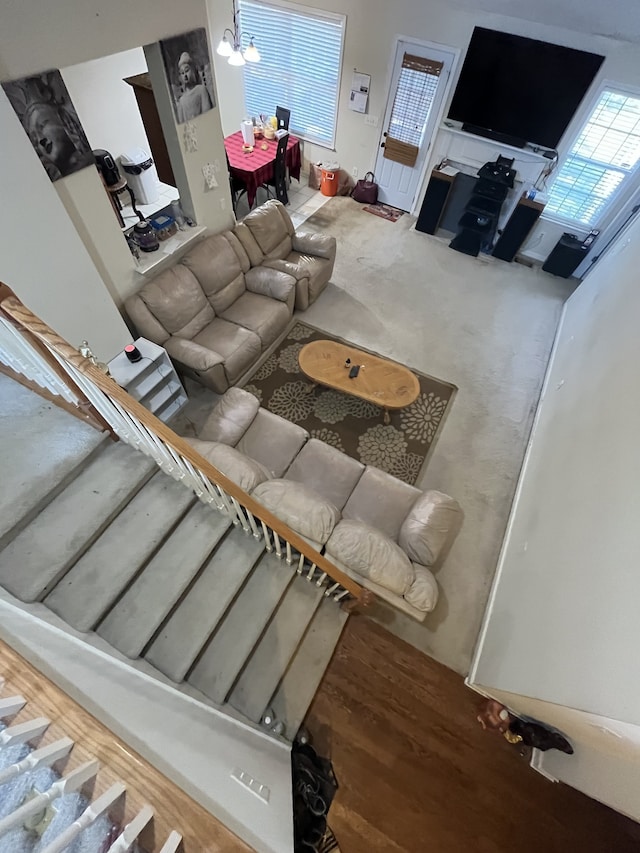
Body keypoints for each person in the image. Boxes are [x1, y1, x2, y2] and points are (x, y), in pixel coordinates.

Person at [176, 51, 212, 123]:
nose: (185, 75)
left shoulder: (201, 90)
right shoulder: (182, 100)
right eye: (182, 73)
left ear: (192, 70)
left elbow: (208, 114)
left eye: (187, 71)